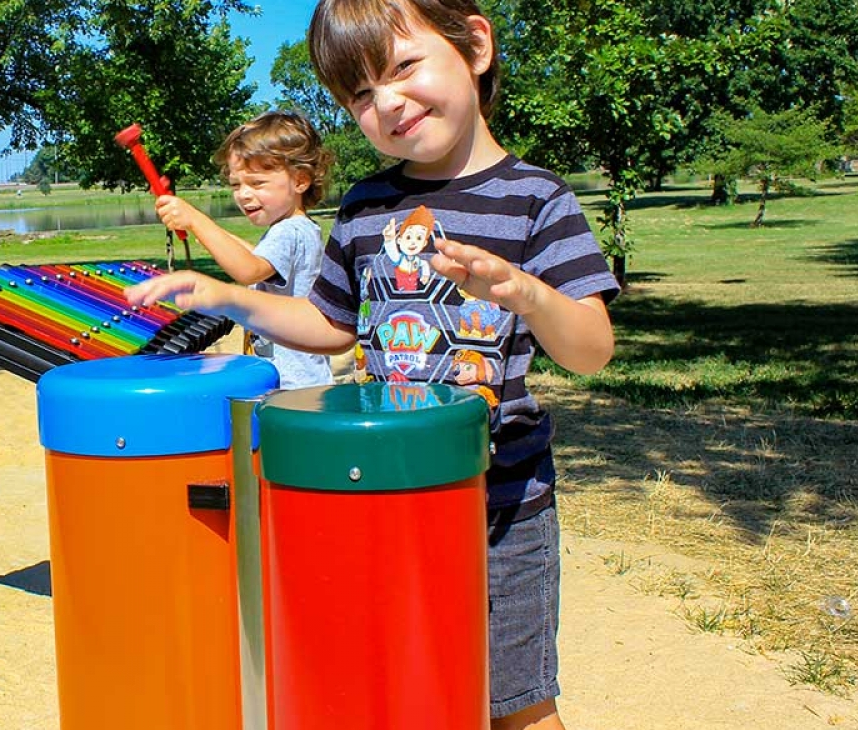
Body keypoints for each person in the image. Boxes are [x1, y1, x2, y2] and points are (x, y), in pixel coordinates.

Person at [128, 1, 619, 728]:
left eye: (404, 68)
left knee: (516, 701)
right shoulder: (364, 209)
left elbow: (591, 350)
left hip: (501, 506)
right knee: (392, 682)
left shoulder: (537, 200)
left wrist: (527, 295)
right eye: (359, 93)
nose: (386, 102)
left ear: (476, 46)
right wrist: (231, 297)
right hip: (377, 497)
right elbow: (327, 325)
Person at [153, 110, 335, 389]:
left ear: (300, 180)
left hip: (292, 385)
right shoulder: (298, 227)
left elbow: (249, 270)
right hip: (294, 379)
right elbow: (257, 261)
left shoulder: (289, 231)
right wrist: (206, 229)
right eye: (236, 184)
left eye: (257, 183)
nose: (243, 194)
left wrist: (196, 220)